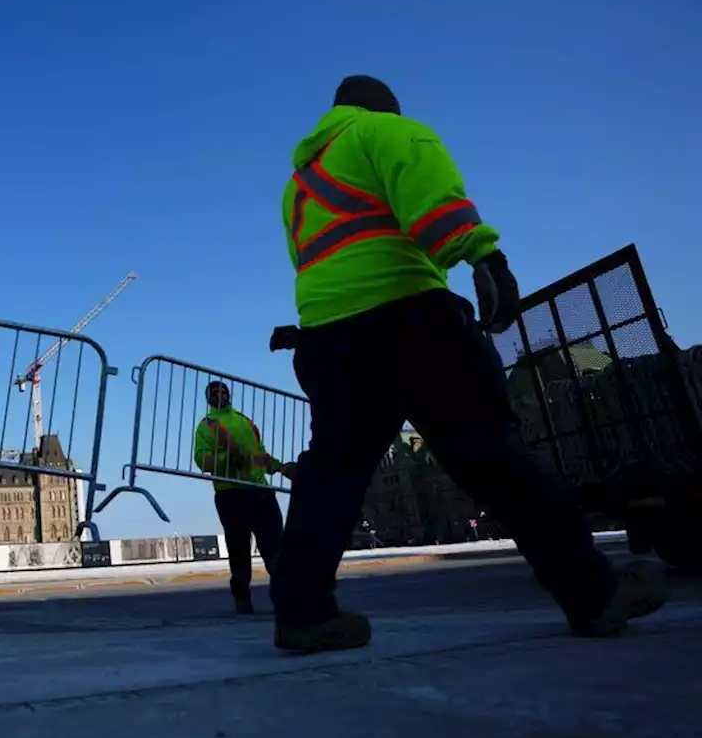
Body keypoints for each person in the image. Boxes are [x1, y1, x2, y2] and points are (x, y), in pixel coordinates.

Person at [271, 75, 667, 654]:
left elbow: (318, 258)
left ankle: (302, 614)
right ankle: (593, 594)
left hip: (329, 337)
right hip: (411, 318)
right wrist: (483, 257)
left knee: (332, 471)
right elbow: (432, 205)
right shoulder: (389, 131)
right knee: (491, 453)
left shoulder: (298, 187)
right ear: (384, 105)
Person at [193, 380, 295, 615]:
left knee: (275, 547)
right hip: (231, 494)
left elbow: (259, 456)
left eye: (224, 391)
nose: (221, 395)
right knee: (239, 550)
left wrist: (280, 468)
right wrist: (227, 458)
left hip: (260, 491)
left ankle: (285, 597)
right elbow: (202, 461)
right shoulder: (206, 426)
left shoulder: (246, 422)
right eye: (215, 392)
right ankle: (242, 599)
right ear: (208, 399)